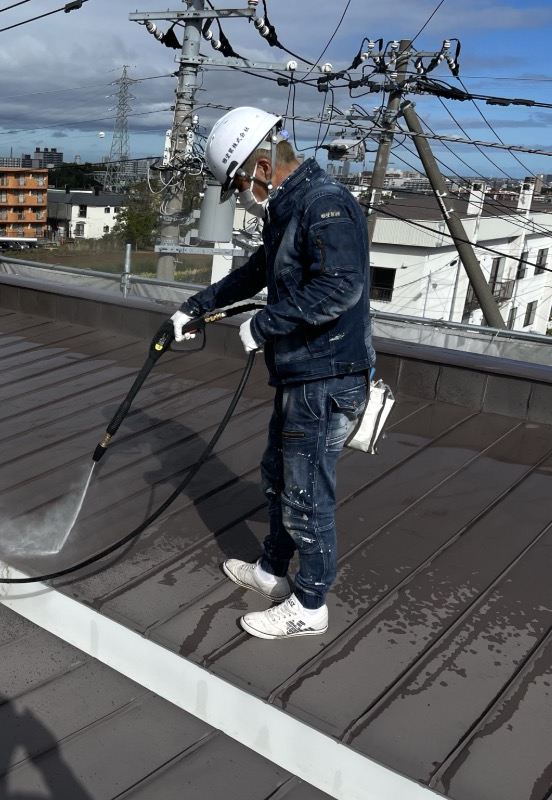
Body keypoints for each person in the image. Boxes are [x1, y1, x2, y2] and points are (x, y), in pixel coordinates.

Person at [168, 106, 375, 640]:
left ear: (261, 165)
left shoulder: (325, 205)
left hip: (327, 377)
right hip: (302, 375)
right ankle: (270, 573)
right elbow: (258, 271)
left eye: (237, 181)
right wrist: (196, 306)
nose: (240, 193)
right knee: (281, 478)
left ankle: (309, 607)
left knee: (307, 494)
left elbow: (342, 287)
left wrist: (266, 324)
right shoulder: (289, 209)